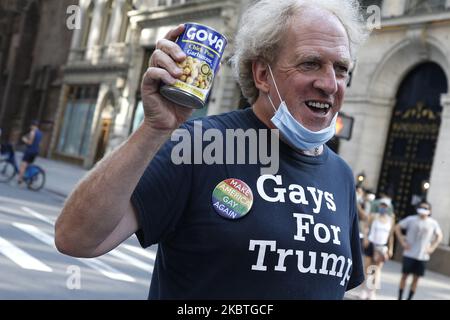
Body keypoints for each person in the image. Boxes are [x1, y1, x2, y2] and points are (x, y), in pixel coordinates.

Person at [55, 0, 368, 299]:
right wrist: (154, 130)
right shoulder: (200, 144)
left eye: (340, 69)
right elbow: (77, 238)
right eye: (310, 64)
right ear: (262, 75)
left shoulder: (340, 174)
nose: (329, 84)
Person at [395, 201, 443, 300]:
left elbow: (439, 236)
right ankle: (400, 297)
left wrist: (432, 248)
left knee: (416, 279)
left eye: (426, 208)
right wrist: (402, 242)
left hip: (422, 256)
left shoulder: (433, 223)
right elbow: (397, 227)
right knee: (404, 276)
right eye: (421, 207)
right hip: (409, 254)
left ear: (430, 211)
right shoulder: (411, 219)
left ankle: (409, 298)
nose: (423, 210)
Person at [360, 198, 395, 299]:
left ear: (388, 208)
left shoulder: (390, 219)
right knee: (367, 268)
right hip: (371, 244)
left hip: (382, 246)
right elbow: (366, 227)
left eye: (385, 206)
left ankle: (372, 291)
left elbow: (391, 235)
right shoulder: (373, 216)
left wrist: (390, 248)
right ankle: (363, 290)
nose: (383, 208)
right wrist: (366, 238)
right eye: (381, 205)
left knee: (377, 270)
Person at [17, 120, 42, 184]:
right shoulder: (40, 133)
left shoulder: (32, 132)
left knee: (23, 165)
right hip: (35, 151)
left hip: (29, 151)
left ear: (33, 126)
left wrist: (24, 140)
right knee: (29, 165)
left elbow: (30, 143)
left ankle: (20, 179)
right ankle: (30, 178)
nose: (30, 127)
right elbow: (39, 143)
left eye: (31, 126)